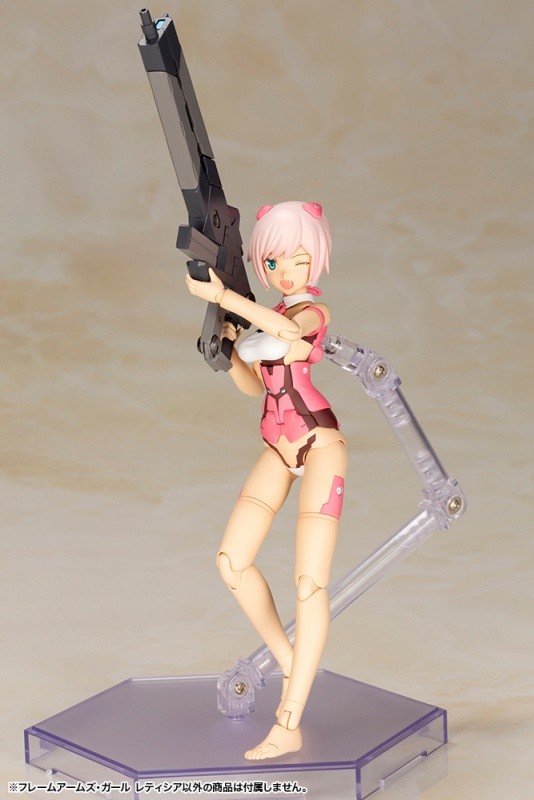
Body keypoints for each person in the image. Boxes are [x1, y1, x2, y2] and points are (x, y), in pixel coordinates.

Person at [186, 200, 347, 760]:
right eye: (274, 262)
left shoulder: (312, 313)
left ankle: (290, 720)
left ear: (315, 260)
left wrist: (226, 299)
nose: (285, 272)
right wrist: (227, 351)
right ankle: (288, 659)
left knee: (310, 584)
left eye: (297, 259)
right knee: (231, 561)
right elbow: (255, 387)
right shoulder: (269, 312)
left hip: (318, 442)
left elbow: (290, 331)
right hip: (275, 444)